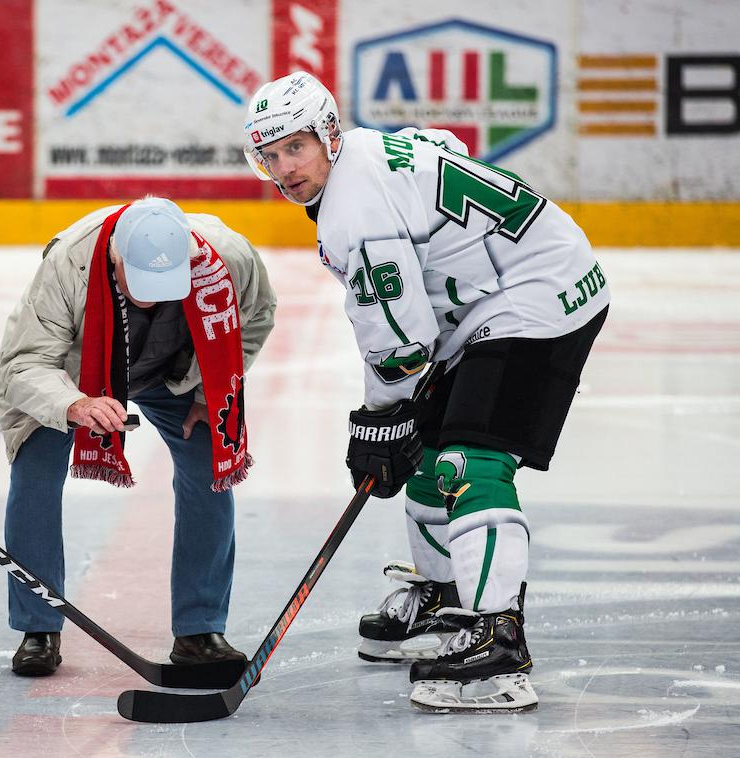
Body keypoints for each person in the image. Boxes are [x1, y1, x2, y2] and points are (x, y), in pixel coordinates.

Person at [241, 72, 608, 712]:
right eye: (269, 156)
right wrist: (395, 423)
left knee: (468, 459)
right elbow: (443, 148)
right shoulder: (368, 156)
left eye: (294, 148)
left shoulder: (354, 210)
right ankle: (446, 603)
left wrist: (377, 421)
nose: (283, 168)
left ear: (328, 134)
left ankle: (498, 642)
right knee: (427, 450)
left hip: (537, 295)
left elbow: (401, 342)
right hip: (497, 296)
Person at [0, 198, 276, 675]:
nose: (154, 295)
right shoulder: (71, 264)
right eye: (141, 281)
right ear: (116, 258)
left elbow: (256, 318)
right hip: (76, 375)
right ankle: (38, 627)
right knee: (35, 469)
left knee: (211, 467)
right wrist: (74, 405)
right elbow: (24, 364)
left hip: (175, 373)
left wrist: (211, 394)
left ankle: (199, 630)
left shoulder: (227, 258)